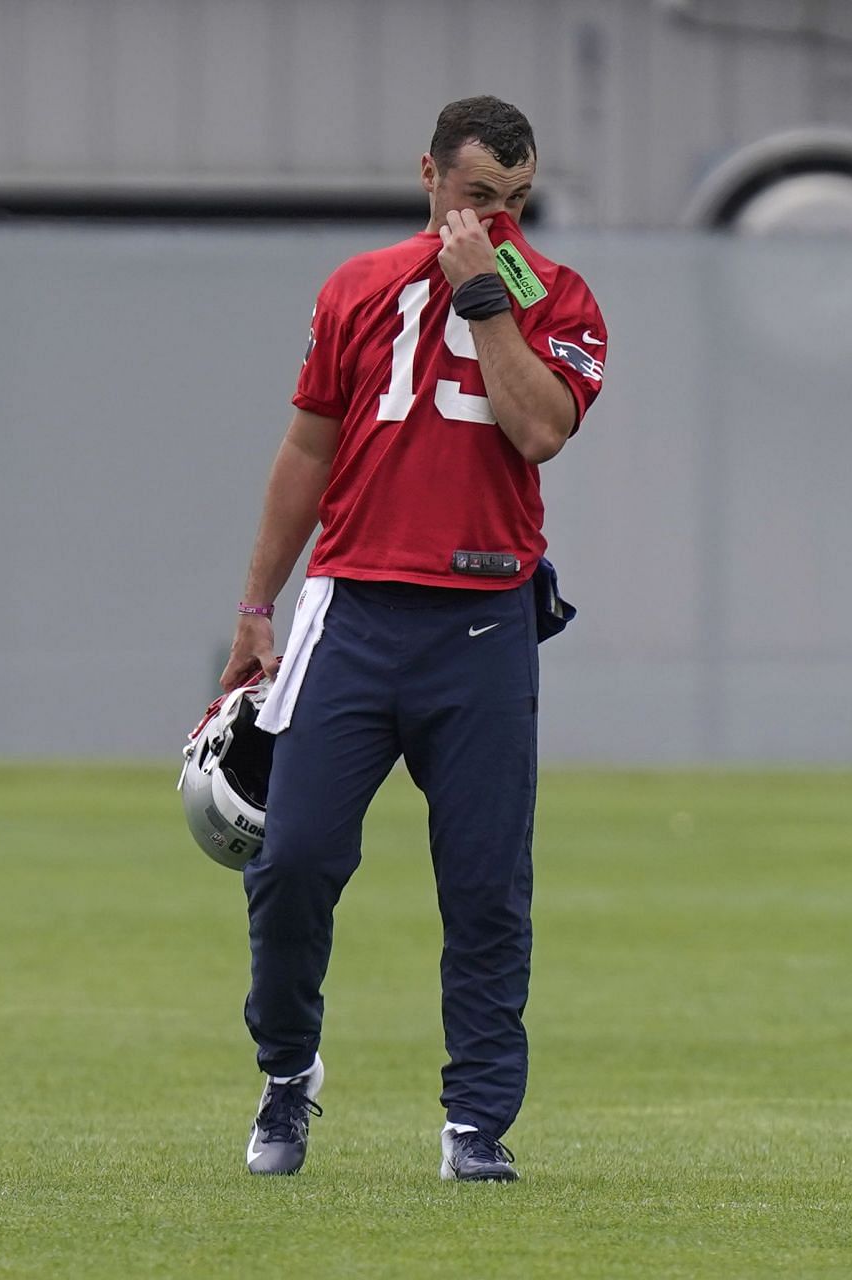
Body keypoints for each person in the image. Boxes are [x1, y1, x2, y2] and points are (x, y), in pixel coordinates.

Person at [219, 96, 606, 1182]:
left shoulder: (554, 296)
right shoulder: (355, 286)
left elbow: (537, 427)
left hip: (483, 619)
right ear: (429, 175)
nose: (497, 218)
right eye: (479, 196)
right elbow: (306, 450)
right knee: (290, 859)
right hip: (353, 608)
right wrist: (257, 605)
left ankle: (477, 1120)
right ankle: (288, 1070)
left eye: (517, 202)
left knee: (485, 882)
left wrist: (485, 288)